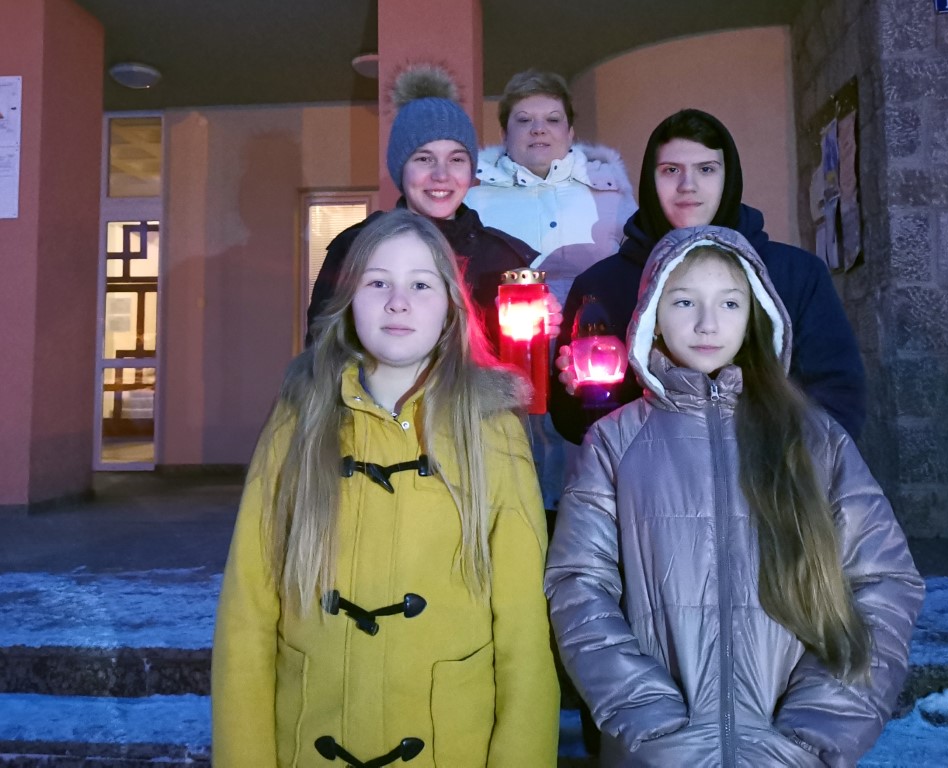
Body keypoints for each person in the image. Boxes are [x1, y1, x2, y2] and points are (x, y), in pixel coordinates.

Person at [545, 225, 923, 766]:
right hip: (659, 753)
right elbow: (579, 584)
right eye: (684, 301)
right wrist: (648, 718)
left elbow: (884, 581)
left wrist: (817, 727)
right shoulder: (614, 443)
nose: (708, 323)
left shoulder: (813, 438)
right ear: (652, 313)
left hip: (790, 753)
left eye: (729, 302)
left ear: (755, 314)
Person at [213, 211, 560, 767]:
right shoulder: (297, 420)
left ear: (450, 307)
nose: (398, 302)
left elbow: (524, 633)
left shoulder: (492, 429)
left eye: (421, 285)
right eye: (378, 283)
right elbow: (246, 615)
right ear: (350, 299)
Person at [551, 108, 866, 445]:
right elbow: (573, 423)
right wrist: (583, 392)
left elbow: (838, 399)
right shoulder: (599, 287)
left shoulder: (797, 274)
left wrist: (780, 462)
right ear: (649, 180)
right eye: (671, 170)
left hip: (771, 471)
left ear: (728, 177)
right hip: (648, 474)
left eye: (706, 169)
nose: (688, 185)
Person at [465, 68, 636, 511]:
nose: (538, 129)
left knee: (595, 496)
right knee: (515, 495)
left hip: (596, 375)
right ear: (505, 133)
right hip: (506, 372)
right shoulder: (473, 198)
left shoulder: (610, 192)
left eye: (552, 119)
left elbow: (637, 273)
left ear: (571, 131)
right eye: (524, 120)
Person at [307, 65, 537, 347]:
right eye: (424, 159)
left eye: (456, 160)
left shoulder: (503, 259)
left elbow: (522, 362)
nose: (441, 175)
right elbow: (321, 351)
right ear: (401, 169)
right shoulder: (354, 247)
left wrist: (544, 333)